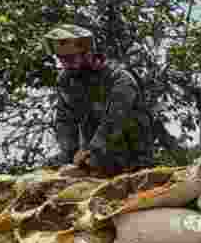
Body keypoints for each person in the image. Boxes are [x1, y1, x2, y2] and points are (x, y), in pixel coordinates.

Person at [43, 24, 157, 178]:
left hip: (133, 159)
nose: (65, 64)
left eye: (70, 58)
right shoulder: (67, 80)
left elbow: (114, 120)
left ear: (88, 54)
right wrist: (71, 154)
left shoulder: (119, 78)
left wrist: (89, 154)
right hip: (94, 159)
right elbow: (64, 120)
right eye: (61, 59)